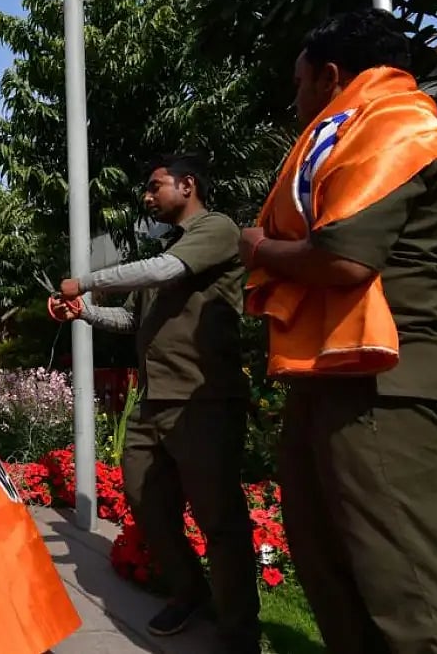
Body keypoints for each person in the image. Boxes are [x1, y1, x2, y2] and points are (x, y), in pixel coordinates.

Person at [240, 9, 437, 653]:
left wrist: (260, 248)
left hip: (381, 379)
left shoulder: (395, 129)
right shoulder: (353, 136)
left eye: (298, 83)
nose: (294, 100)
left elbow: (344, 258)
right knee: (331, 568)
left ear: (330, 76)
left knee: (403, 586)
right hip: (332, 371)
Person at [52, 154, 260, 652]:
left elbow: (163, 270)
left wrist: (86, 281)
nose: (147, 197)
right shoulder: (168, 250)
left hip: (203, 400)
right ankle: (190, 591)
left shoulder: (216, 229)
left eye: (155, 186)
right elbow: (130, 323)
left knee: (219, 518)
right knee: (146, 501)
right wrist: (85, 314)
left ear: (188, 185)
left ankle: (238, 630)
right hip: (154, 402)